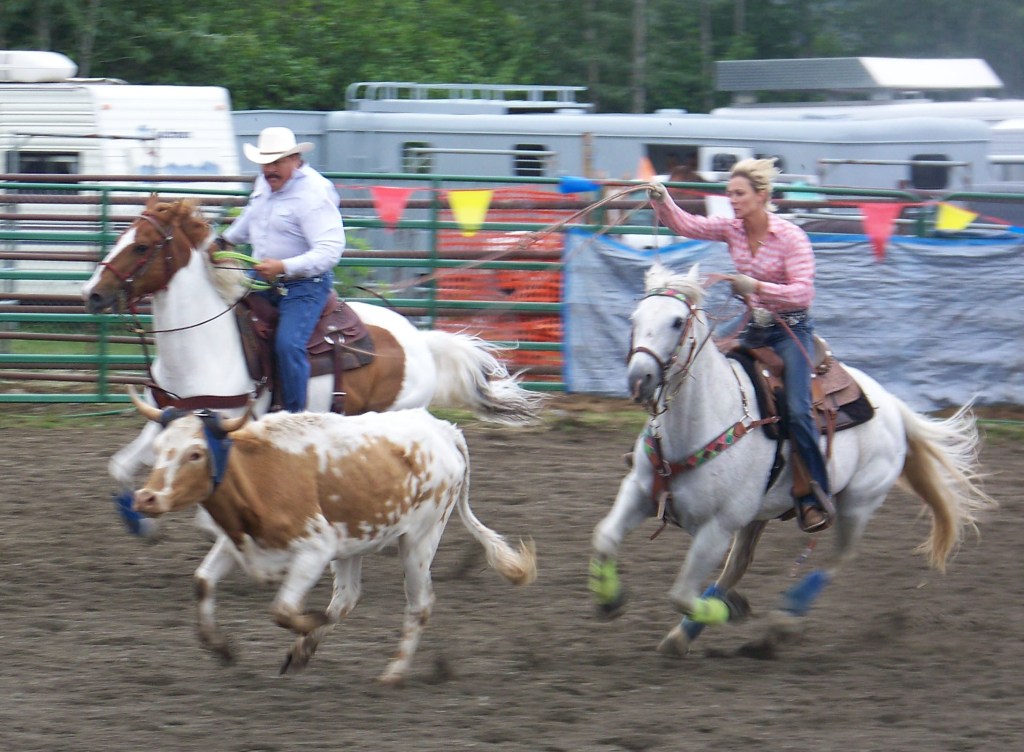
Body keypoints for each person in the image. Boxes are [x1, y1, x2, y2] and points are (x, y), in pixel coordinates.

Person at [647, 157, 833, 533]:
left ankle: (813, 495)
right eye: (729, 193)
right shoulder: (732, 230)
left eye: (739, 193)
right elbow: (690, 224)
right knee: (694, 366)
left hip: (789, 330)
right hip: (753, 325)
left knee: (797, 409)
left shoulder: (791, 237)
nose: (731, 199)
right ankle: (659, 455)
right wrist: (662, 199)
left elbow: (803, 292)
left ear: (761, 196)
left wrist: (758, 287)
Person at [219, 126, 346, 412]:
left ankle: (294, 416)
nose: (269, 169)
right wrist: (223, 240)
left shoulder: (313, 194)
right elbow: (250, 219)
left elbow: (329, 251)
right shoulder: (263, 185)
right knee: (219, 317)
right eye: (266, 162)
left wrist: (283, 266)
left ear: (295, 159)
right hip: (263, 278)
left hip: (305, 284)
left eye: (276, 162)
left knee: (289, 344)